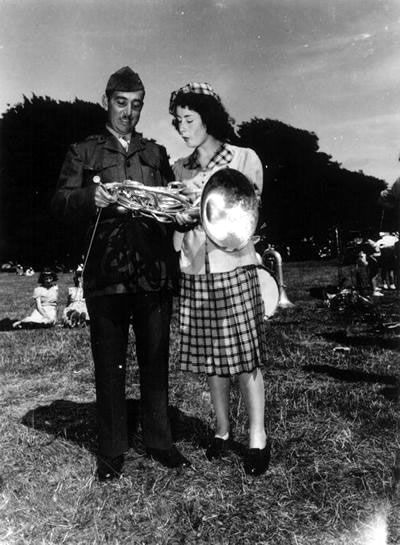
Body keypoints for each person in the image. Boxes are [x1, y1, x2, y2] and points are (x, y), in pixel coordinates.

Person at [51, 66, 189, 481]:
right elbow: (59, 203)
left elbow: (171, 206)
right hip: (106, 275)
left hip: (153, 273)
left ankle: (160, 442)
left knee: (155, 359)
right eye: (121, 103)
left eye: (136, 105)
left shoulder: (156, 153)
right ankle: (112, 450)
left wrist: (182, 209)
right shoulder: (84, 151)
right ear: (107, 101)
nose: (129, 112)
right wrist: (91, 195)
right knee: (109, 363)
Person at [169, 82, 270, 476]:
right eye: (177, 121)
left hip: (235, 266)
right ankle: (222, 431)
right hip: (197, 270)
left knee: (246, 357)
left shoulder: (244, 158)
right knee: (214, 359)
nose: (181, 127)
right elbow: (178, 232)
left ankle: (257, 437)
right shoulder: (180, 167)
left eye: (188, 119)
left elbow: (247, 213)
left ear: (207, 117)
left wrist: (203, 199)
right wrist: (180, 218)